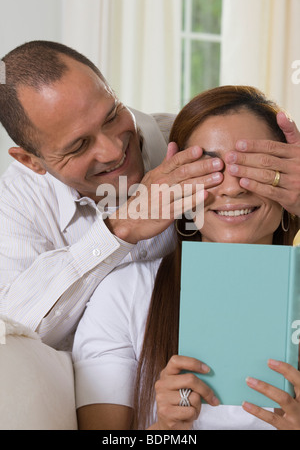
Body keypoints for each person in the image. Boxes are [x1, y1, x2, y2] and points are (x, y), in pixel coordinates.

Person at [0, 40, 300, 348]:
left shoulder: (192, 134)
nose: (114, 150)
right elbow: (11, 335)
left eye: (111, 115)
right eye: (79, 146)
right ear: (30, 161)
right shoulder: (20, 202)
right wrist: (122, 227)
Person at [72, 85, 300, 431]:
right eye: (209, 167)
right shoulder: (124, 293)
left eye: (253, 165)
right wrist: (166, 431)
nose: (232, 188)